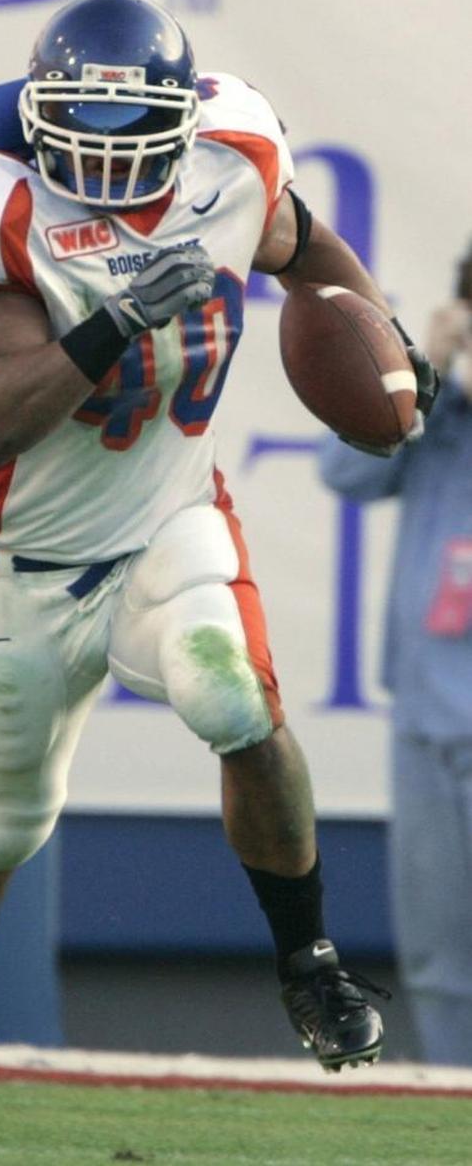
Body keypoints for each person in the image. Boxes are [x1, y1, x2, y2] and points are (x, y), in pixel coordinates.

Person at [0, 0, 440, 1132]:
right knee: (3, 821)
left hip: (167, 519)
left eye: (133, 130)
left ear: (180, 121)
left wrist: (384, 336)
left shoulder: (230, 158)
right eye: (81, 130)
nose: (107, 155)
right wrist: (113, 320)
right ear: (37, 118)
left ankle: (310, 962)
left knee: (237, 701)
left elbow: (306, 247)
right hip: (27, 559)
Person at [318, 245, 472, 1066]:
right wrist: (419, 372)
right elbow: (344, 472)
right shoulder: (434, 412)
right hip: (426, 721)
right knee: (441, 957)